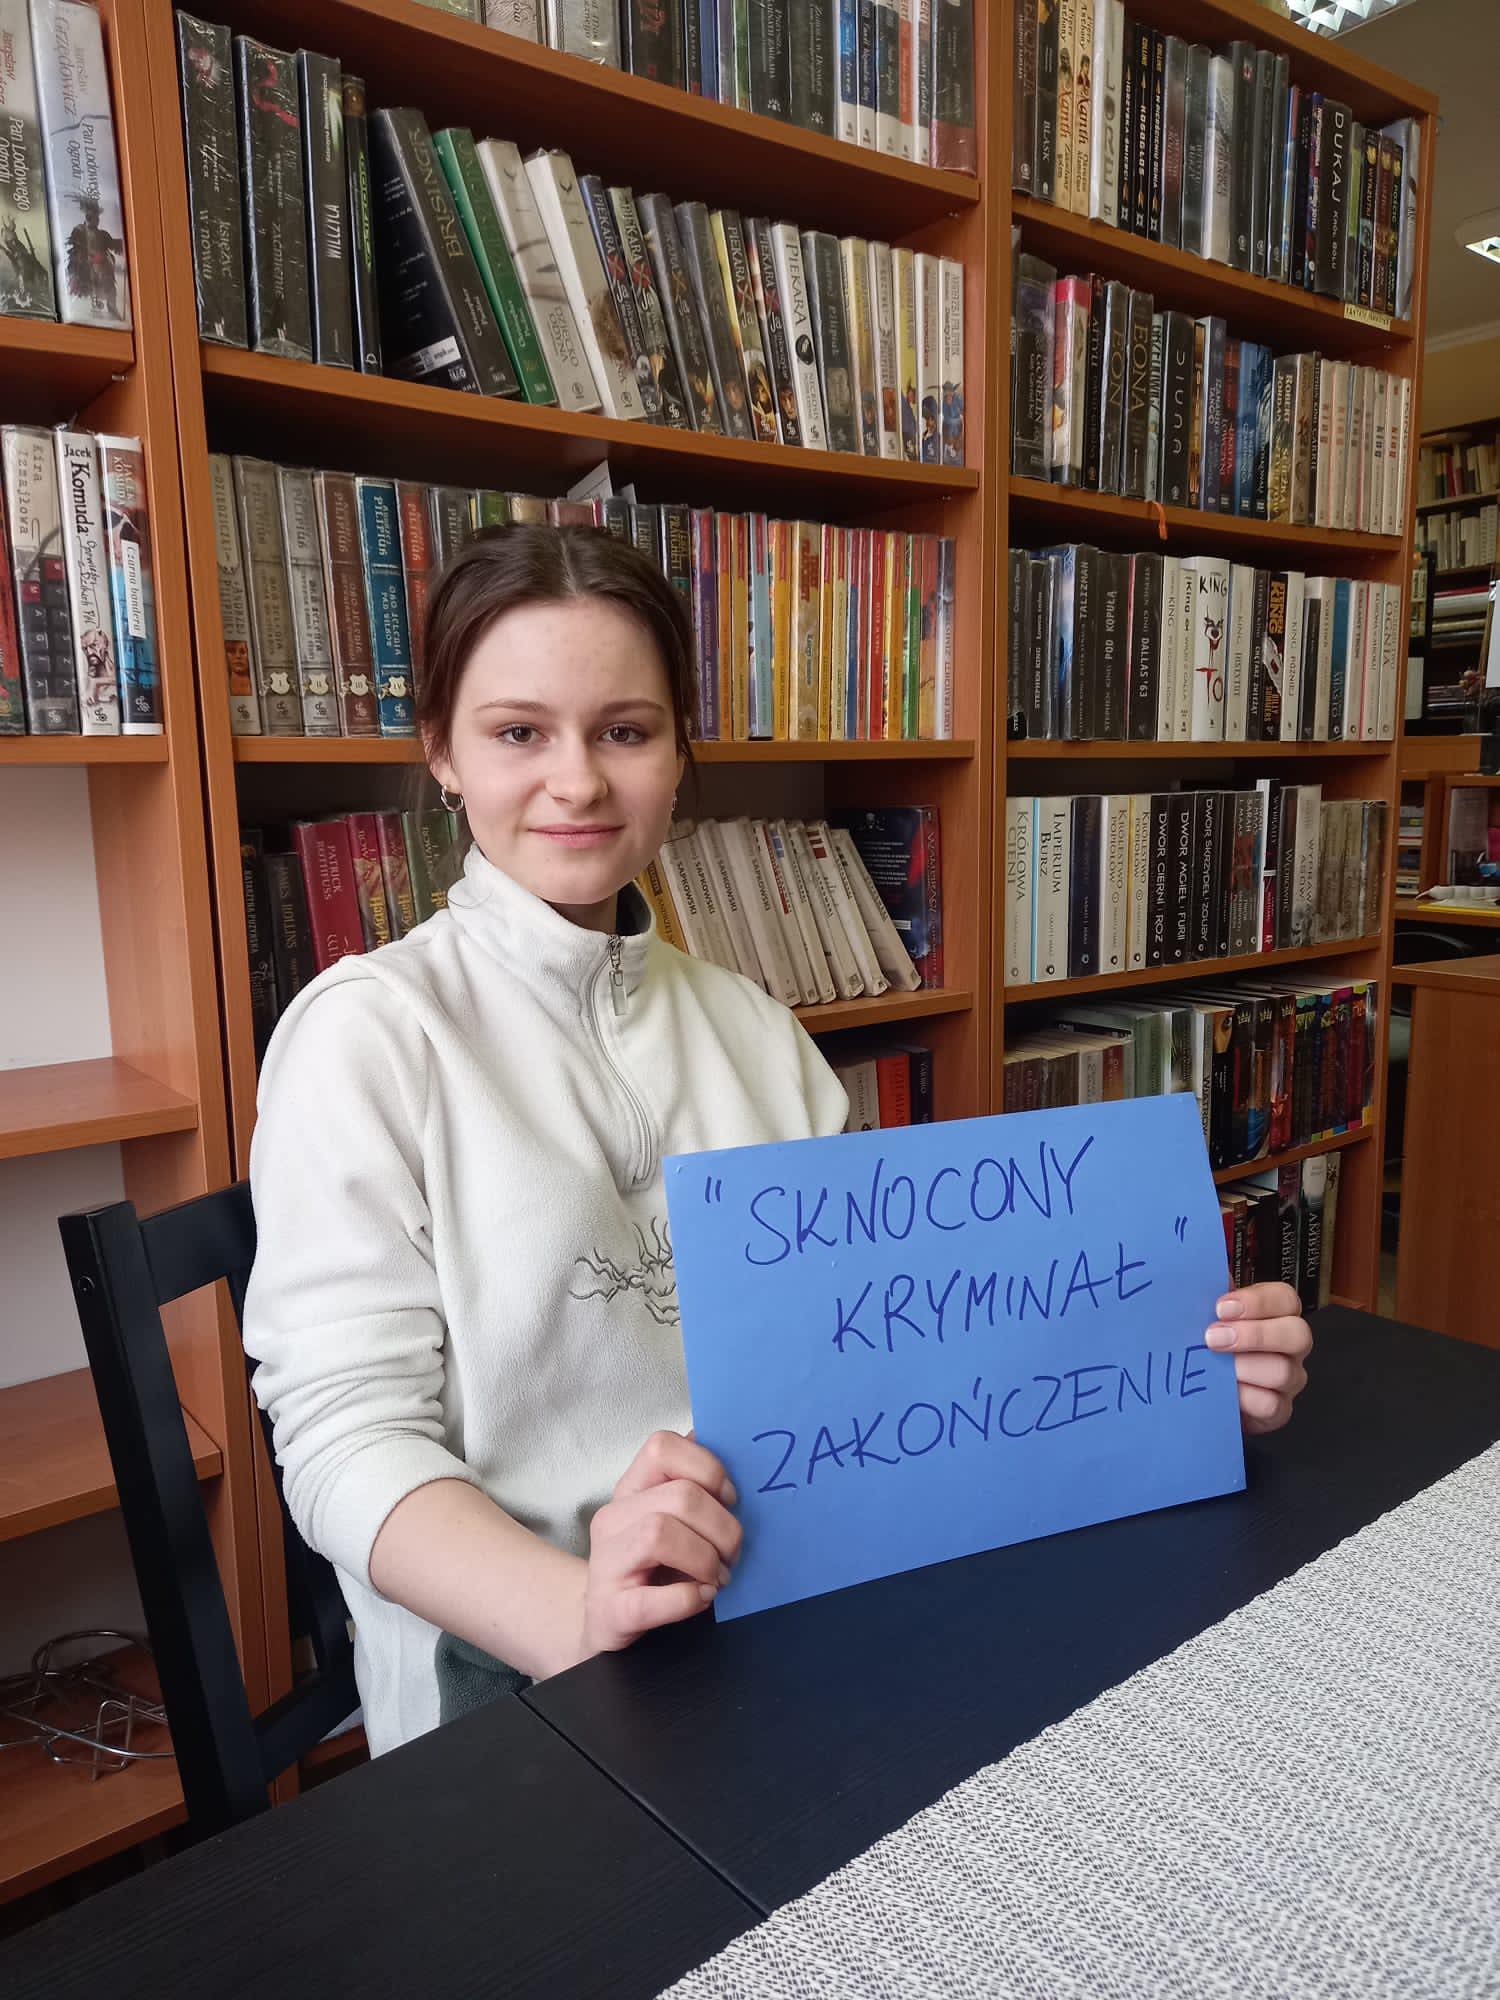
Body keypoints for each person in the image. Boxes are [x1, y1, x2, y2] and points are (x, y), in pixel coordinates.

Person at [243, 526, 1313, 1756]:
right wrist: (576, 1614)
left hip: (802, 1608)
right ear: (441, 749)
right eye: (519, 731)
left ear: (679, 754)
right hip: (523, 1680)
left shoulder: (752, 1026)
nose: (577, 781)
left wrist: (1175, 1384)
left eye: (625, 730)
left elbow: (897, 1348)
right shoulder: (365, 1037)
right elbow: (343, 1437)